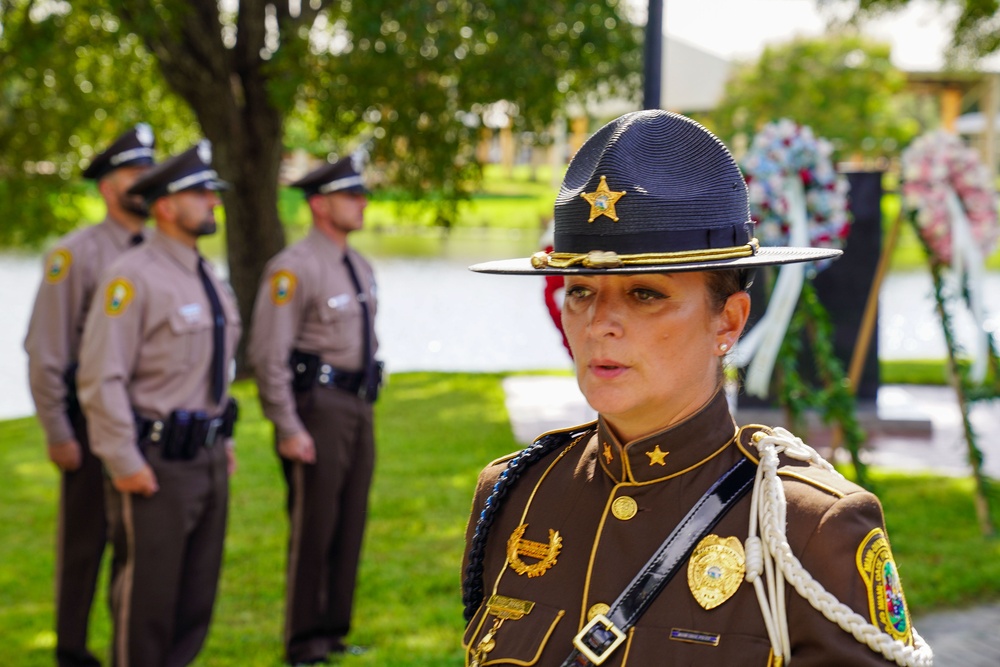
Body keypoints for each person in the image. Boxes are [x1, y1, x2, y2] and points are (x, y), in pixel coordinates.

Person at [461, 111, 933, 667]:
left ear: (728, 322)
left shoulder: (808, 526)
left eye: (644, 295)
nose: (598, 325)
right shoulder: (516, 495)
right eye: (581, 291)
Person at [77, 140, 240, 667]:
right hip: (154, 464)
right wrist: (123, 461)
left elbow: (212, 369)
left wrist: (226, 439)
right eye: (201, 194)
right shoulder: (133, 276)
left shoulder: (205, 275)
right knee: (146, 604)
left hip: (207, 459)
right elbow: (101, 377)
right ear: (166, 205)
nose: (213, 203)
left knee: (195, 602)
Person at [24, 123, 155, 667]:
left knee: (141, 547)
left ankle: (134, 646)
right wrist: (58, 432)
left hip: (148, 426)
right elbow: (46, 350)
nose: (147, 182)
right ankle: (72, 652)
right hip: (87, 424)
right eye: (134, 173)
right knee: (85, 544)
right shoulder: (74, 254)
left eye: (151, 171)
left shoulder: (162, 251)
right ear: (107, 186)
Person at [248, 152, 381, 665]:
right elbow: (267, 353)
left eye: (362, 194)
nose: (362, 202)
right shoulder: (293, 268)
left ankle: (333, 631)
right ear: (320, 205)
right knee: (314, 525)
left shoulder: (359, 264)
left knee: (350, 519)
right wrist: (286, 424)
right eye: (352, 195)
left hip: (357, 404)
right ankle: (303, 640)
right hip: (317, 407)